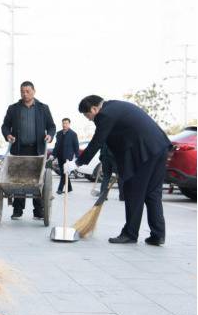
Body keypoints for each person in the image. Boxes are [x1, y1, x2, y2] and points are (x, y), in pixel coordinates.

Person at [65, 95, 171, 245]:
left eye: (88, 115)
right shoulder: (115, 106)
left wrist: (77, 163)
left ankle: (130, 234)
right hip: (159, 147)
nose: (89, 119)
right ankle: (158, 234)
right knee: (153, 193)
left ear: (94, 109)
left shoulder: (104, 114)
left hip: (144, 152)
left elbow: (97, 141)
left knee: (133, 192)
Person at [1, 81, 56, 219]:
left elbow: (51, 126)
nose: (25, 94)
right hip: (19, 149)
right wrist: (8, 134)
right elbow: (5, 126)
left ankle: (38, 211)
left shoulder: (43, 108)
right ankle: (17, 210)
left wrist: (50, 135)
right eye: (22, 91)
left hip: (37, 150)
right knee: (19, 179)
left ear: (34, 91)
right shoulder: (13, 108)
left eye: (28, 91)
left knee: (37, 180)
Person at [51, 118, 79, 194]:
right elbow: (57, 145)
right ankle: (69, 188)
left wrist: (77, 157)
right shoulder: (59, 133)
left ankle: (60, 189)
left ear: (69, 124)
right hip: (60, 156)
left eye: (66, 123)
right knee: (64, 173)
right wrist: (53, 155)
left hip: (68, 157)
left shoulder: (73, 134)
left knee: (64, 173)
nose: (64, 125)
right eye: (63, 123)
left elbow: (76, 146)